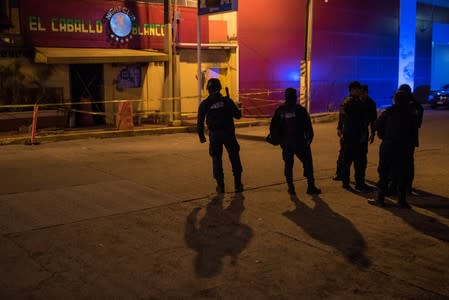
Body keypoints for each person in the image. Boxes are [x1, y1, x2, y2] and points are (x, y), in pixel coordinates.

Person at [269, 88, 321, 195]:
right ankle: (310, 187)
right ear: (295, 97)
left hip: (286, 143)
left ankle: (291, 188)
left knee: (288, 165)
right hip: (300, 142)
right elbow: (308, 126)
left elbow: (273, 127)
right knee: (307, 163)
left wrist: (277, 140)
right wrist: (309, 139)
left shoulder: (280, 110)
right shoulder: (300, 110)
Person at [371, 90, 418, 208]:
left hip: (389, 145)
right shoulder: (411, 113)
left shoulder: (389, 111)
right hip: (404, 147)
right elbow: (414, 130)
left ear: (395, 99)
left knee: (384, 172)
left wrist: (383, 134)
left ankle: (380, 199)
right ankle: (401, 200)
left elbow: (376, 125)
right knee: (402, 173)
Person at [197, 78, 243, 193]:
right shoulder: (227, 101)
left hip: (215, 136)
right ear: (220, 88)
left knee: (217, 160)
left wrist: (201, 136)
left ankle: (220, 186)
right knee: (234, 158)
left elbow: (200, 122)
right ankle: (238, 185)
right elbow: (238, 115)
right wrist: (232, 104)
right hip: (229, 134)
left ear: (208, 89)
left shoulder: (205, 103)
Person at [387, 84, 423, 195]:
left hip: (399, 141)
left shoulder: (399, 108)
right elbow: (418, 122)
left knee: (396, 164)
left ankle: (394, 187)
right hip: (409, 141)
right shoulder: (414, 108)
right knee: (408, 164)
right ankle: (407, 187)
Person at [337, 81, 371, 191]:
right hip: (355, 135)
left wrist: (340, 128)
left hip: (348, 135)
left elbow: (342, 117)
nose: (359, 91)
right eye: (357, 89)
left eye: (359, 89)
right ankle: (359, 184)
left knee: (347, 160)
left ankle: (345, 182)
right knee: (358, 161)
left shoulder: (345, 101)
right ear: (352, 90)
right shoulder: (355, 103)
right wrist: (363, 134)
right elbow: (359, 121)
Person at [359, 84, 378, 190]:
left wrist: (373, 133)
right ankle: (342, 175)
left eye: (363, 92)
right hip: (351, 132)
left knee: (362, 155)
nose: (361, 95)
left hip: (363, 131)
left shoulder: (370, 103)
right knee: (345, 154)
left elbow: (373, 119)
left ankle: (360, 179)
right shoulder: (353, 101)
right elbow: (343, 116)